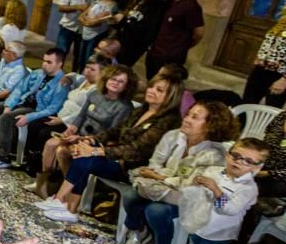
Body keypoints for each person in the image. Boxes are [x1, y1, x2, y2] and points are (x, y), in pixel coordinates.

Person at [33, 74, 184, 222]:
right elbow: (115, 131)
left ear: (171, 96)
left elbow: (137, 150)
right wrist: (90, 140)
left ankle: (64, 202)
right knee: (82, 152)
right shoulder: (142, 110)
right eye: (151, 87)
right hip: (117, 156)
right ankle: (65, 204)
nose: (151, 91)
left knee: (88, 156)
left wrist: (95, 150)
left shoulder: (168, 120)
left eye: (159, 90)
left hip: (134, 167)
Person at [117, 101, 239, 244]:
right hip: (166, 189)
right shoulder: (174, 135)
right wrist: (160, 177)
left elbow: (190, 186)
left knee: (156, 210)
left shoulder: (214, 155)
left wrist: (158, 177)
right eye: (188, 114)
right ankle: (138, 231)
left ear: (211, 125)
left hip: (191, 200)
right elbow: (154, 164)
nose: (187, 119)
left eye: (195, 117)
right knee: (130, 194)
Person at [164, 138, 268, 244]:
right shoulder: (213, 171)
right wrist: (196, 185)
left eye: (248, 161)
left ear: (257, 168)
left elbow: (231, 209)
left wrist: (215, 189)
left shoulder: (249, 189)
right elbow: (198, 194)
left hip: (220, 233)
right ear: (227, 155)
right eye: (236, 156)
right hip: (200, 223)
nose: (239, 162)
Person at [28, 61, 135, 196]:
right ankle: (42, 184)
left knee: (63, 151)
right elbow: (80, 116)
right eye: (114, 79)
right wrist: (70, 130)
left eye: (121, 82)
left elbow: (111, 133)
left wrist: (82, 138)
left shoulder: (123, 107)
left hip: (98, 142)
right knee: (50, 144)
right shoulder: (96, 94)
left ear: (127, 86)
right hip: (79, 134)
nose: (115, 83)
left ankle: (69, 192)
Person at [0, 48, 69, 169]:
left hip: (37, 110)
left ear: (59, 64)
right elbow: (19, 89)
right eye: (44, 60)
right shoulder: (38, 73)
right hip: (22, 102)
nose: (44, 64)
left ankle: (3, 156)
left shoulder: (62, 83)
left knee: (6, 118)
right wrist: (9, 105)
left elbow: (52, 109)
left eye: (49, 62)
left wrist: (28, 117)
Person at [146, 0, 205, 78]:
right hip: (156, 51)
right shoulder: (170, 0)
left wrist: (184, 46)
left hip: (171, 55)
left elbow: (199, 33)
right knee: (151, 79)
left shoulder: (191, 6)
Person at [55, 0, 100, 68]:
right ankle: (55, 76)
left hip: (83, 30)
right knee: (60, 53)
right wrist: (77, 7)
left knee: (79, 57)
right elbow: (61, 8)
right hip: (67, 27)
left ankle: (74, 78)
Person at [115, 0, 164, 67]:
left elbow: (145, 30)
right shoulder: (137, 3)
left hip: (133, 47)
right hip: (121, 41)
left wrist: (124, 20)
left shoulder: (154, 9)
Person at [242, 14, 286, 108]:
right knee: (246, 107)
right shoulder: (282, 21)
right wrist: (260, 58)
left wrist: (284, 80)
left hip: (280, 75)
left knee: (270, 113)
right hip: (261, 69)